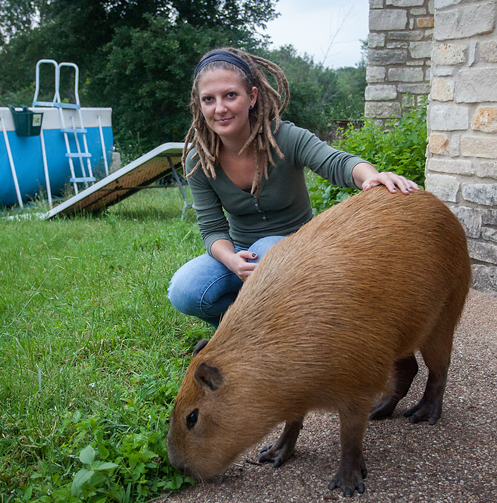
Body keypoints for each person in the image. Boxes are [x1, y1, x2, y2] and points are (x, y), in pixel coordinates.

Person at [167, 47, 419, 327]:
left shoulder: (285, 137)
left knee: (267, 249)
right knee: (184, 290)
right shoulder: (199, 160)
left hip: (298, 246)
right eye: (208, 99)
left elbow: (336, 162)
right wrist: (232, 261)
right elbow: (212, 229)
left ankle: (276, 323)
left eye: (230, 95)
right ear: (199, 105)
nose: (220, 108)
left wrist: (371, 176)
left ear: (251, 96)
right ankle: (240, 333)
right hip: (242, 251)